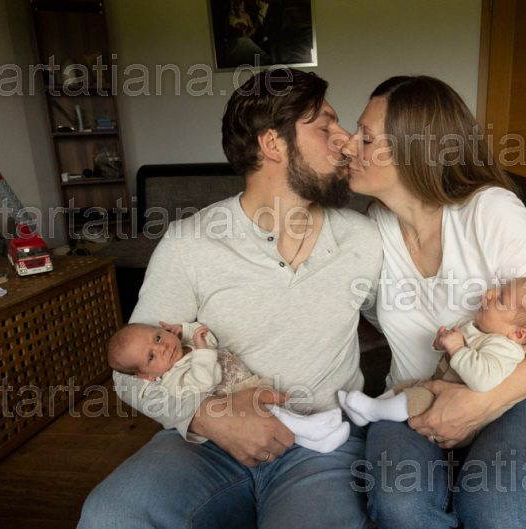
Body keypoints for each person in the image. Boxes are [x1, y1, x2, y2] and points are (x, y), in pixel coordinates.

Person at [77, 69, 383, 529]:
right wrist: (208, 418)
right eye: (325, 126)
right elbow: (129, 374)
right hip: (207, 444)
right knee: (109, 516)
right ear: (273, 144)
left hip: (320, 443)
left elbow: (413, 325)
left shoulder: (363, 238)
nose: (345, 140)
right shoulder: (189, 243)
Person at [340, 75, 526, 529]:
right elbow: (366, 310)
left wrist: (480, 403)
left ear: (415, 150)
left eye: (365, 137)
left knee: (495, 508)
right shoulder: (372, 228)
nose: (347, 145)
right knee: (400, 507)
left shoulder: (487, 210)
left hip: (516, 398)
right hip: (412, 394)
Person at [339, 278, 526, 448]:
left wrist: (457, 348)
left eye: (501, 298)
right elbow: (452, 349)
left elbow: (483, 380)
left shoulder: (505, 349)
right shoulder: (480, 327)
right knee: (404, 387)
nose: (490, 293)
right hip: (438, 386)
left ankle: (373, 411)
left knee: (413, 398)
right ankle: (365, 412)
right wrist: (442, 342)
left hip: (457, 412)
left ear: (518, 334)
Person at [107, 321, 351, 453]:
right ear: (147, 377)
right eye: (151, 357)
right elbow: (205, 381)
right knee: (275, 415)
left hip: (246, 384)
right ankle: (311, 427)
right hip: (235, 403)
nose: (161, 348)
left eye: (158, 337)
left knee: (281, 410)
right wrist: (201, 349)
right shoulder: (173, 378)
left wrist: (188, 330)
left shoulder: (185, 345)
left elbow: (209, 337)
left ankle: (316, 442)